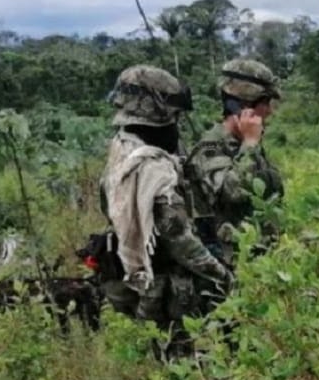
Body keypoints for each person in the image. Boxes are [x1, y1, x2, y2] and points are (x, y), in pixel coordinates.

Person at [99, 64, 232, 359]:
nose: (178, 124)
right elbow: (180, 239)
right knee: (186, 360)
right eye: (175, 117)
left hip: (148, 282)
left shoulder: (122, 150)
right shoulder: (152, 169)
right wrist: (222, 275)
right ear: (158, 116)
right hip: (171, 290)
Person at [187, 58, 285, 265]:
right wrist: (250, 143)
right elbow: (232, 192)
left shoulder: (245, 146)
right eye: (265, 103)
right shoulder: (210, 148)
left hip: (263, 261)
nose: (269, 111)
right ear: (243, 106)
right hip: (234, 266)